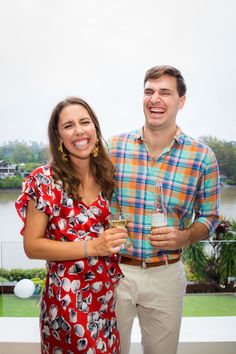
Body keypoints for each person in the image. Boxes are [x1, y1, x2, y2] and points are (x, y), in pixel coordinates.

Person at [108, 65, 220, 354]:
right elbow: (93, 204)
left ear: (180, 101)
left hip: (166, 276)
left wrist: (184, 237)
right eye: (149, 91)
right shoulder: (115, 148)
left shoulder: (202, 157)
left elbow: (209, 217)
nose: (155, 98)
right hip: (115, 272)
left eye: (165, 92)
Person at [15, 96, 129, 354]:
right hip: (66, 302)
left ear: (95, 129)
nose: (79, 130)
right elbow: (32, 246)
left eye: (84, 122)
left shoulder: (106, 176)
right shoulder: (44, 180)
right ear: (58, 137)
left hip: (105, 299)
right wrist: (92, 246)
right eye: (68, 125)